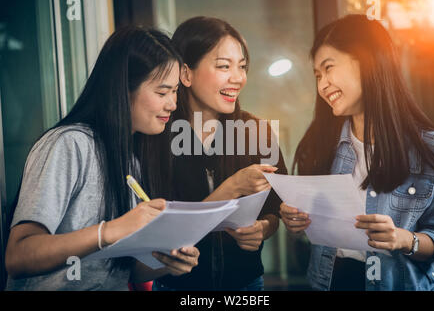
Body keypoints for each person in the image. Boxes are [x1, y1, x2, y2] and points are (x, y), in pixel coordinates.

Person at [5, 26, 200, 291]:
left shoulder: (129, 160)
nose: (173, 104)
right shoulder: (70, 144)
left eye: (175, 91)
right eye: (162, 92)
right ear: (123, 88)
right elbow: (19, 256)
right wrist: (108, 231)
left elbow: (120, 270)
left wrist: (168, 262)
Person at [280, 14, 434, 291]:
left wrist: (405, 239)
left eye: (329, 68)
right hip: (331, 282)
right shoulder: (320, 143)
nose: (322, 85)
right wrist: (297, 221)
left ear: (367, 61)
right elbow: (312, 231)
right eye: (317, 75)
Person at [152, 16, 287, 291]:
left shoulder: (256, 131)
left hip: (247, 286)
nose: (237, 78)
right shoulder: (157, 135)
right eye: (224, 66)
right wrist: (233, 186)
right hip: (177, 287)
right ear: (186, 74)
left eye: (242, 67)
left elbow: (276, 210)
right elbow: (162, 229)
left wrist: (262, 229)